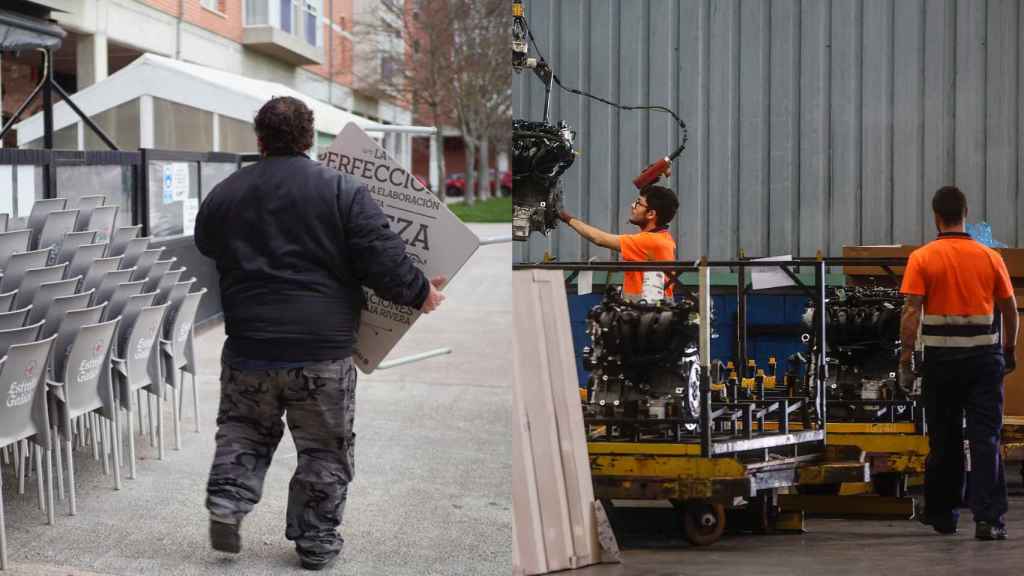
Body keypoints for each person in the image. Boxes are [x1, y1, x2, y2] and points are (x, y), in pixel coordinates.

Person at [194, 96, 446, 570]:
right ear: (310, 138)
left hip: (250, 346)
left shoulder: (226, 193)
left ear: (260, 138)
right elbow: (381, 255)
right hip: (321, 352)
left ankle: (228, 505)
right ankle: (315, 543)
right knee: (324, 449)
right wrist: (420, 294)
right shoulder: (341, 190)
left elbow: (206, 242)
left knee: (243, 431)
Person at [899, 185, 1018, 540]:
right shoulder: (990, 258)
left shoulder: (922, 258)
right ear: (965, 215)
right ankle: (987, 519)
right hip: (984, 362)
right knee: (985, 438)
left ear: (936, 216)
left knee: (945, 439)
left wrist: (905, 360)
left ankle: (943, 515)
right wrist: (1009, 349)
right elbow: (1011, 311)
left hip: (941, 363)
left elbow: (911, 311)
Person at [557, 184, 680, 300]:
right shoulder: (665, 238)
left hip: (642, 313)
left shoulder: (649, 241)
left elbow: (599, 239)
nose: (633, 205)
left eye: (638, 203)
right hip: (652, 311)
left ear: (651, 214)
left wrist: (565, 217)